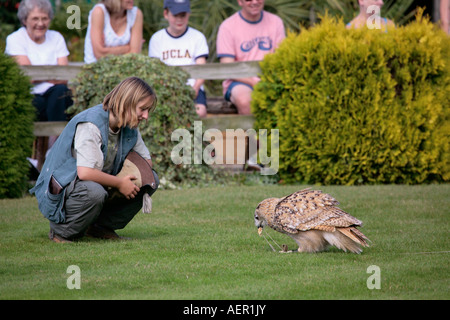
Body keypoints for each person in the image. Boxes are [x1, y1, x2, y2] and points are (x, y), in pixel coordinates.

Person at [30, 77, 159, 243]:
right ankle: (62, 232)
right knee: (94, 191)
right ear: (126, 102)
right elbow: (85, 173)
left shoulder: (129, 126)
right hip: (62, 192)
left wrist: (130, 176)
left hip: (93, 184)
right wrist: (120, 183)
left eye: (148, 110)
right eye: (142, 109)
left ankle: (99, 228)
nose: (146, 116)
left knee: (149, 179)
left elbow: (146, 163)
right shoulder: (91, 124)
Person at [5, 0, 73, 122]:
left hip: (55, 95)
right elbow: (27, 77)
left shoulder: (56, 37)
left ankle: (58, 139)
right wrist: (53, 74)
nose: (40, 23)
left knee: (61, 92)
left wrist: (40, 75)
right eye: (35, 18)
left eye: (45, 18)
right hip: (29, 94)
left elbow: (63, 77)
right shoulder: (15, 39)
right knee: (39, 102)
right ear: (25, 20)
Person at [216, 0, 286, 116]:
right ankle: (255, 135)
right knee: (246, 101)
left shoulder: (276, 22)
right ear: (240, 2)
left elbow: (281, 58)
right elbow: (227, 66)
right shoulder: (227, 27)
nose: (254, 2)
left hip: (270, 79)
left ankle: (273, 134)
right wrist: (253, 82)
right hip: (240, 81)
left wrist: (268, 81)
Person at [149, 0, 209, 118]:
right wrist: (168, 91)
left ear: (188, 14)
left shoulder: (198, 37)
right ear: (166, 14)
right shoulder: (157, 39)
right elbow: (155, 71)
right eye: (175, 15)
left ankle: (196, 137)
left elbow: (201, 69)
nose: (179, 19)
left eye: (183, 15)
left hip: (193, 88)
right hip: (166, 89)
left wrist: (195, 89)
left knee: (199, 112)